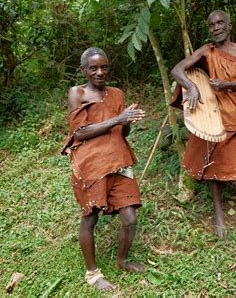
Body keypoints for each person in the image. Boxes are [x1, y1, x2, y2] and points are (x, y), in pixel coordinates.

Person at [170, 10, 236, 238]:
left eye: (220, 23)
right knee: (213, 162)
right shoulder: (207, 50)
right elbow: (177, 69)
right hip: (214, 113)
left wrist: (226, 84)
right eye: (211, 24)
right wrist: (192, 86)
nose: (216, 27)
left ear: (229, 25)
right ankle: (219, 216)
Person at [62, 47, 146, 290]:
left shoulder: (117, 93)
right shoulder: (77, 93)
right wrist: (118, 119)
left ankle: (122, 260)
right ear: (84, 70)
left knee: (129, 218)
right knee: (90, 217)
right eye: (93, 68)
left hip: (119, 159)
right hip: (91, 164)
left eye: (104, 67)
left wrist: (126, 121)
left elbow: (121, 130)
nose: (100, 72)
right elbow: (79, 132)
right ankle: (93, 273)